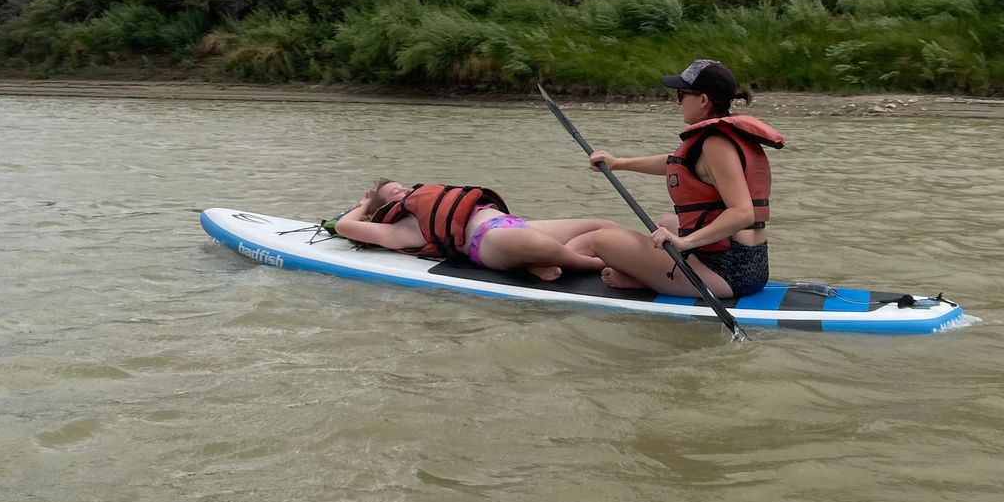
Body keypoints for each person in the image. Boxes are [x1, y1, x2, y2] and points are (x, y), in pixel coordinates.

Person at [574, 59, 784, 299]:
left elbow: (742, 212)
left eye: (681, 94)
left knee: (602, 239)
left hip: (727, 274)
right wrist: (618, 163)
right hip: (751, 265)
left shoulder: (716, 143)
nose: (678, 102)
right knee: (668, 222)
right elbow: (676, 163)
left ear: (703, 100)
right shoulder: (723, 138)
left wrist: (684, 243)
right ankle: (653, 274)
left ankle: (646, 281)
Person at [336, 180, 617, 281]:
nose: (405, 191)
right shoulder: (401, 229)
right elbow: (344, 226)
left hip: (509, 223)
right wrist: (363, 205)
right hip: (486, 242)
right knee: (537, 243)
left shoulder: (427, 201)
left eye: (405, 187)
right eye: (395, 193)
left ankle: (539, 263)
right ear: (385, 209)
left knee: (605, 228)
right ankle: (589, 264)